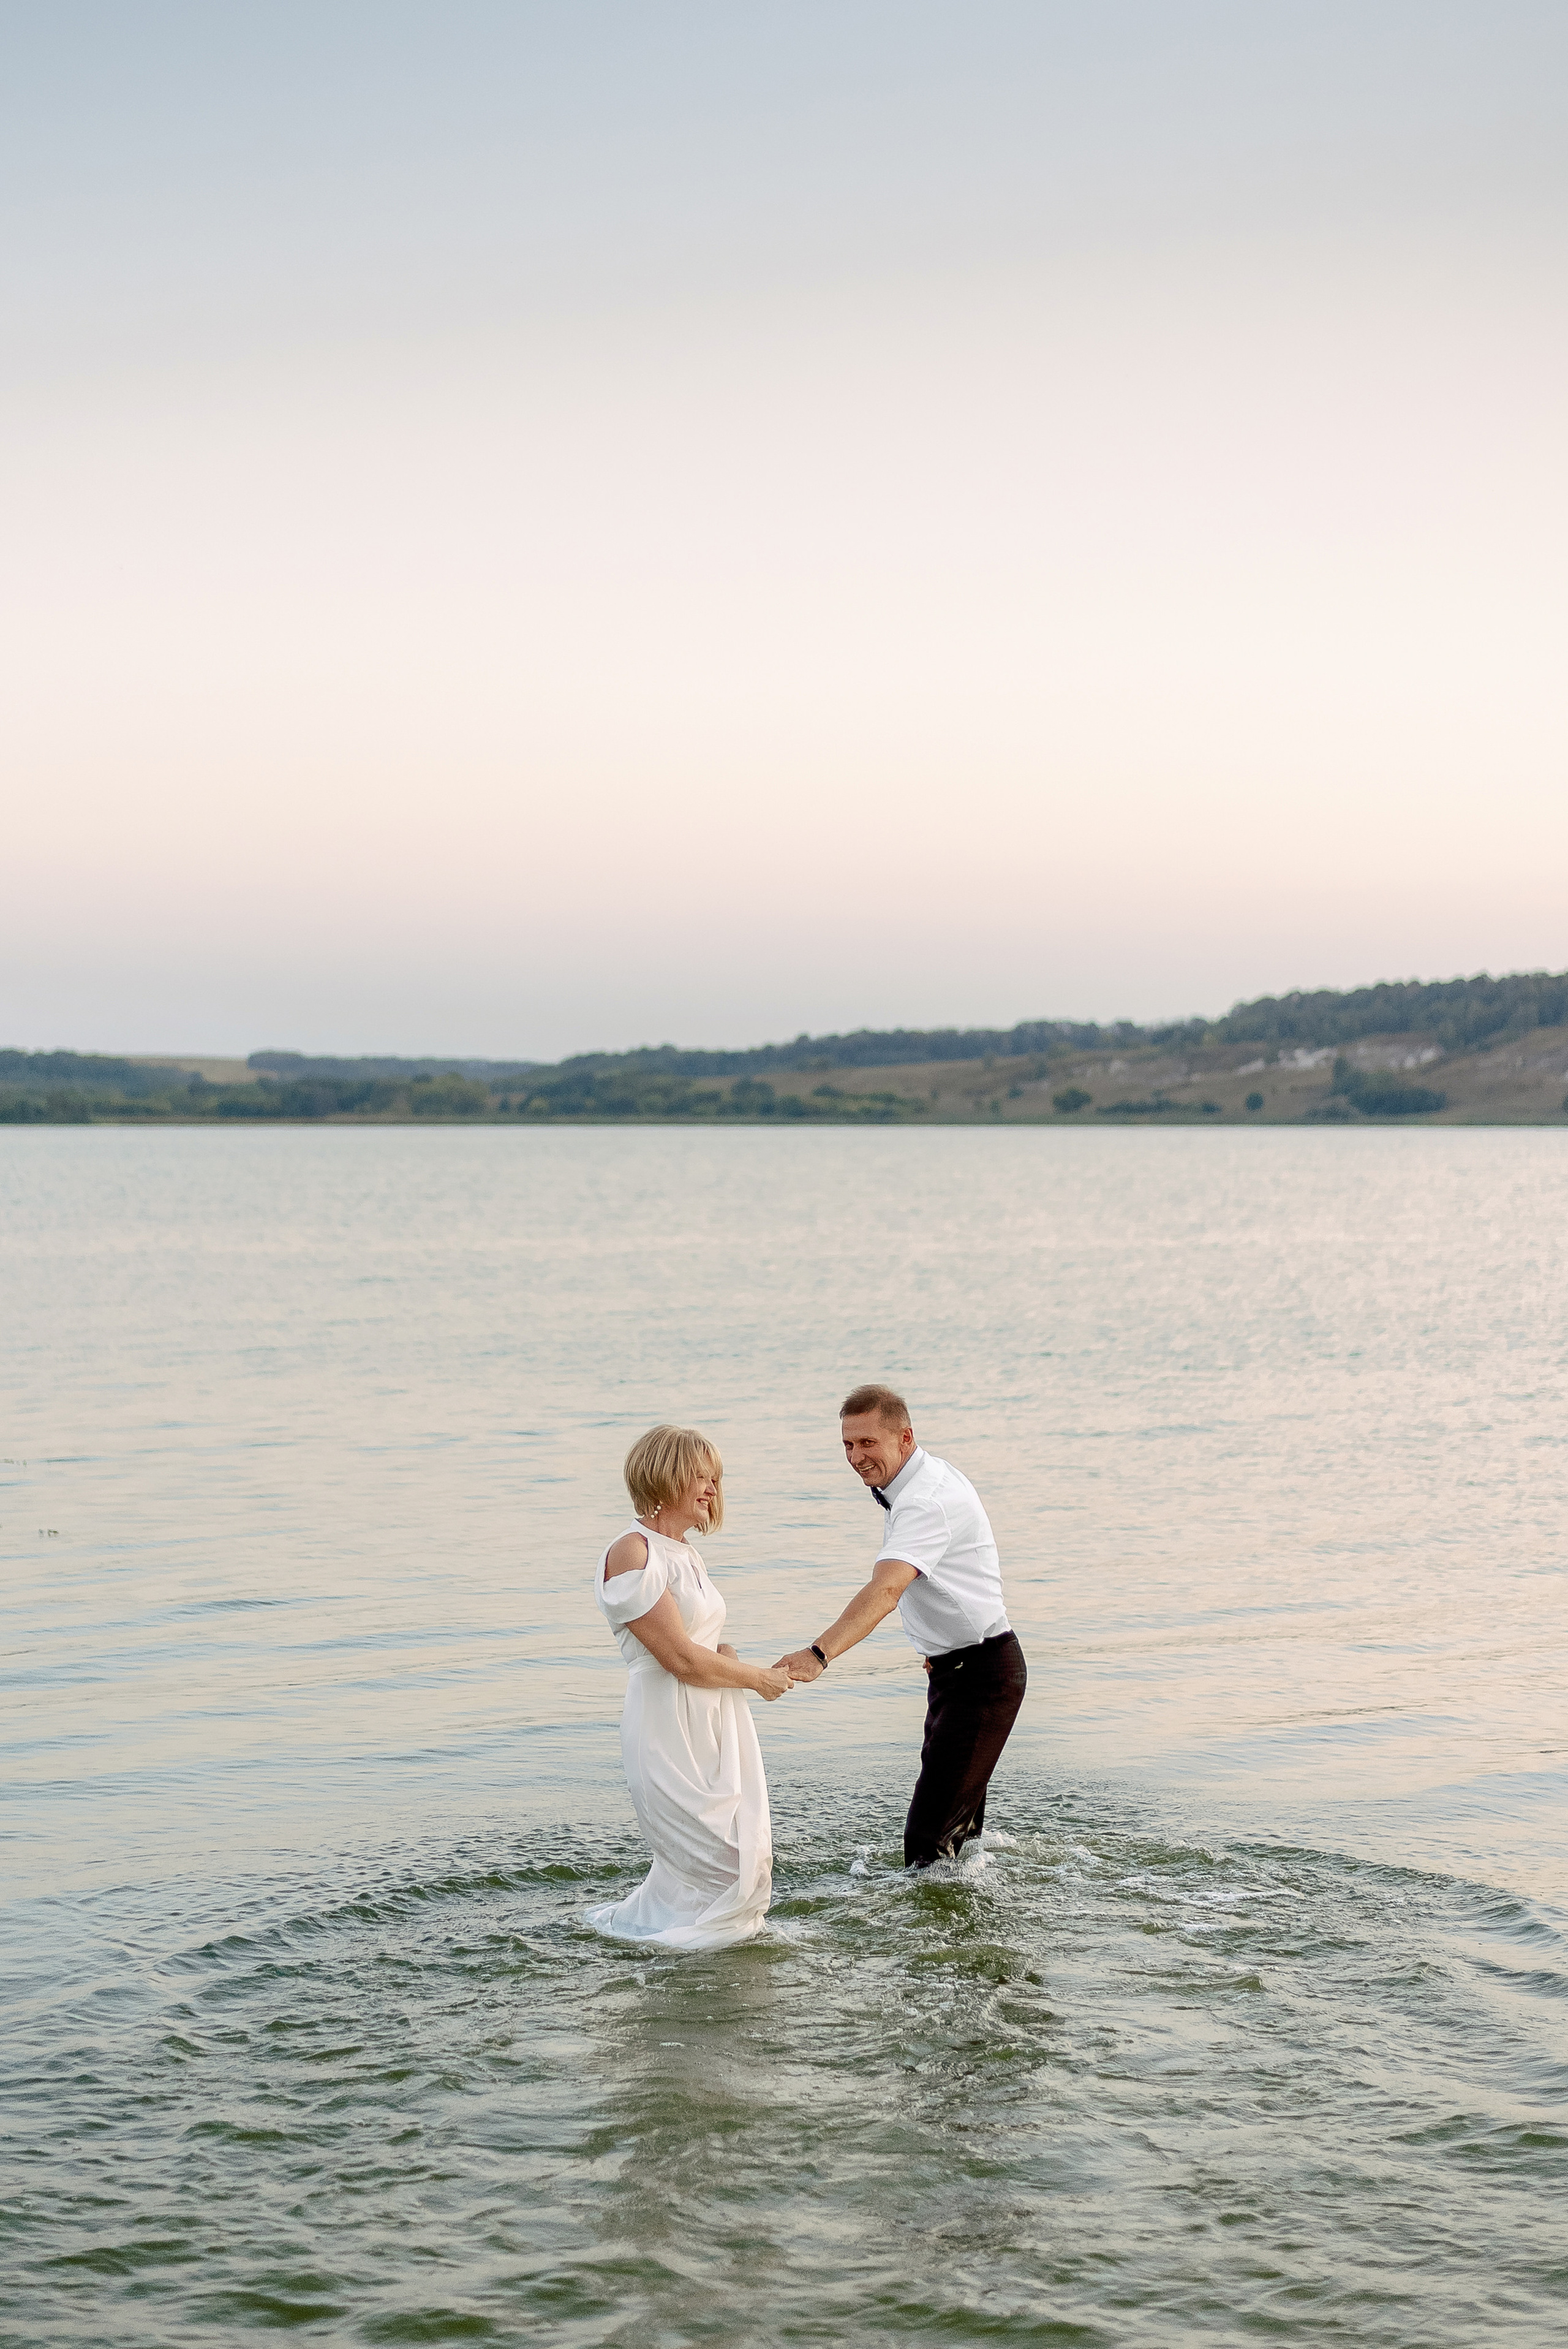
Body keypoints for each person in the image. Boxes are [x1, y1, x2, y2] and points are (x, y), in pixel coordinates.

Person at [777, 1385, 1026, 1869]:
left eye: (868, 1443)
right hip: (960, 1674)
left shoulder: (925, 1500)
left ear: (905, 1438)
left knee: (926, 1842)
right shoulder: (913, 1484)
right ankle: (974, 1930)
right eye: (848, 1445)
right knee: (960, 1838)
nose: (856, 1457)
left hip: (982, 1677)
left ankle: (941, 1940)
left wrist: (819, 1654)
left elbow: (887, 1591)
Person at [587, 1423, 794, 1950]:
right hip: (667, 1727)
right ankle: (690, 1961)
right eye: (700, 1476)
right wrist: (759, 1681)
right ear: (666, 1475)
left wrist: (727, 1658)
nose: (712, 1489)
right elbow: (678, 1658)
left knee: (746, 1857)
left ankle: (662, 1943)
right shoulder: (632, 1552)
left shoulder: (686, 1553)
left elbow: (698, 1644)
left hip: (713, 1721)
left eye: (716, 1479)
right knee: (724, 1864)